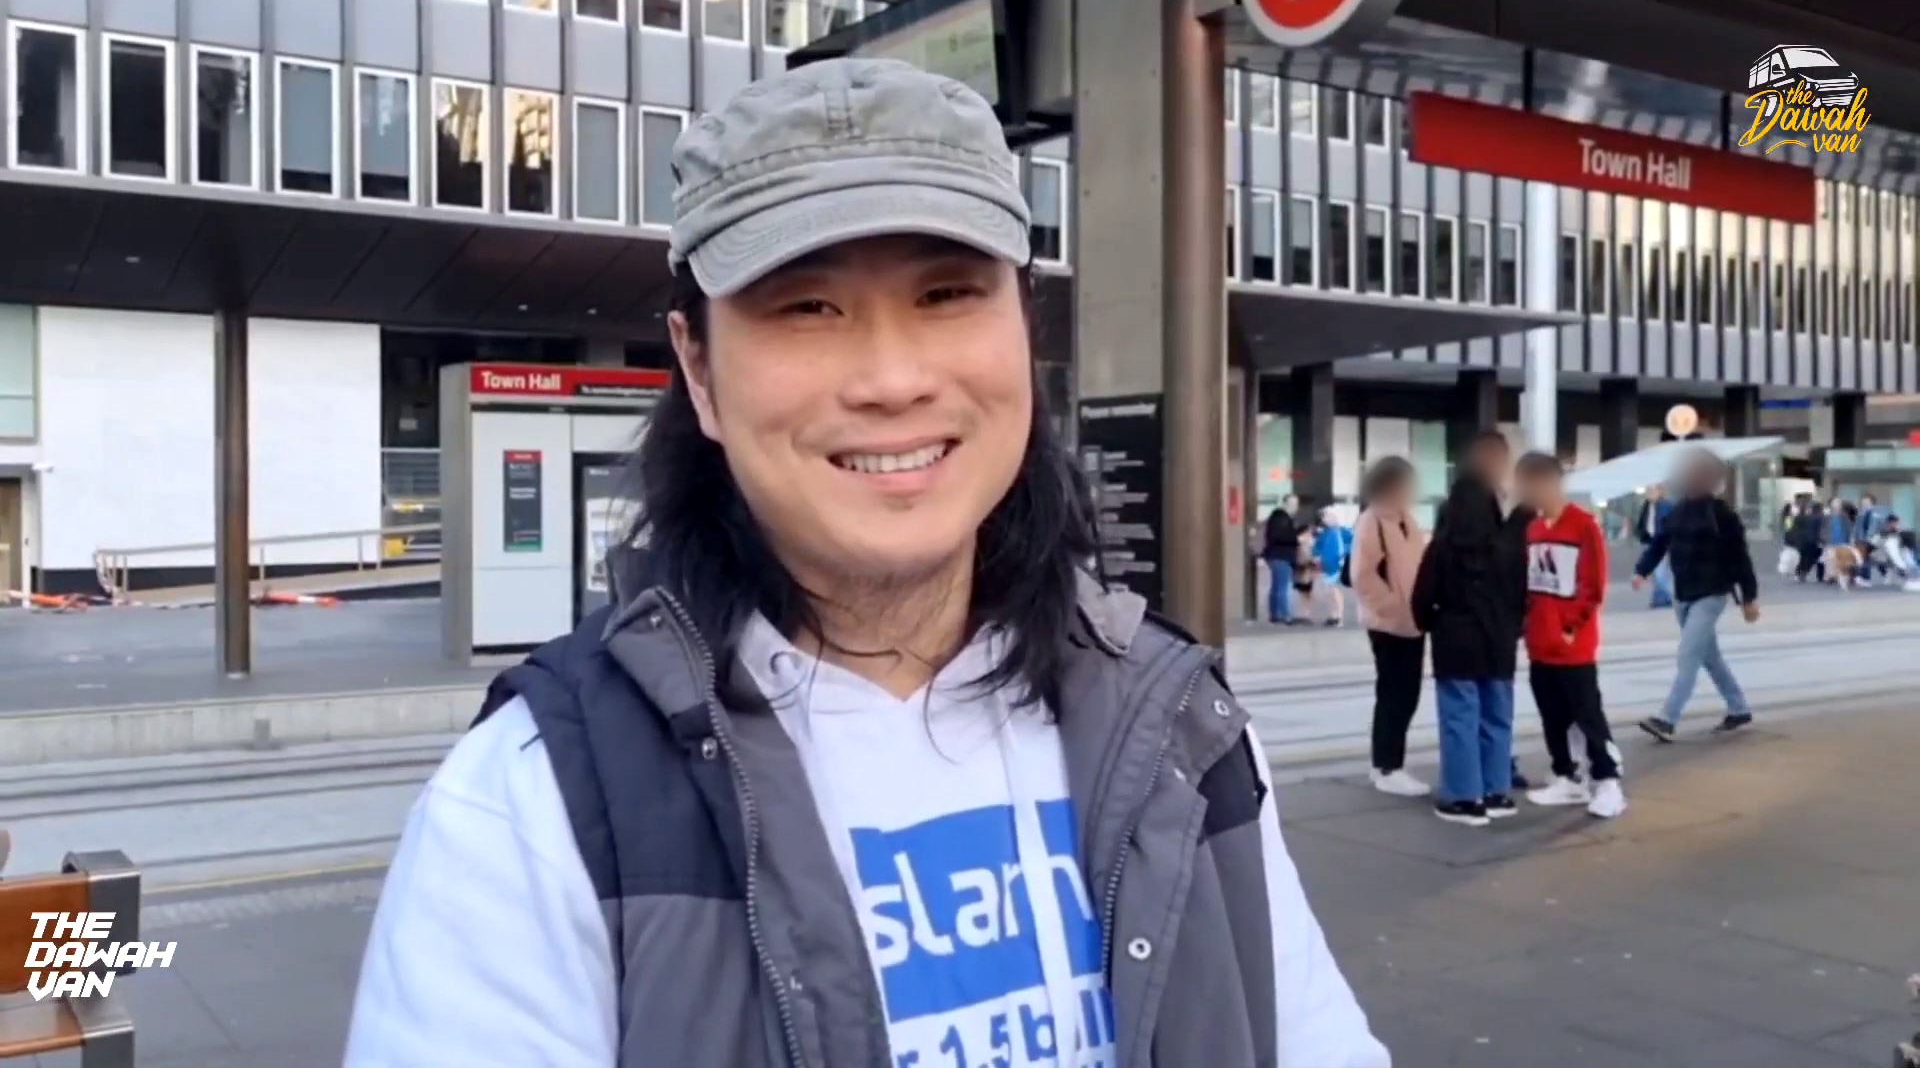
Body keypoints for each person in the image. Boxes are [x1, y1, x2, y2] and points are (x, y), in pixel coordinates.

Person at [343, 58, 1390, 1068]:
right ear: (698, 369)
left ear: (1023, 328)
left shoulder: (1178, 730)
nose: (893, 378)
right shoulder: (533, 811)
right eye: (807, 307)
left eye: (947, 295)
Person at [1411, 431, 1529, 827]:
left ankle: (1463, 797)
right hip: (1498, 644)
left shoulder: (1442, 549)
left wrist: (1431, 624)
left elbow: (1421, 598)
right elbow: (1520, 596)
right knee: (1497, 717)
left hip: (1456, 641)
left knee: (1460, 717)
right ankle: (1497, 792)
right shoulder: (1508, 547)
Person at [1512, 453, 1626, 819]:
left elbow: (1593, 586)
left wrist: (1571, 627)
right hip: (1539, 644)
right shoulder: (1532, 529)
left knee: (1587, 713)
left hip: (1573, 646)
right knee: (1552, 715)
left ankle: (1608, 782)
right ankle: (1567, 776)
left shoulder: (1583, 526)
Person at [1634, 447, 1761, 742]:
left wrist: (1749, 598)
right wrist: (1642, 570)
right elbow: (1659, 544)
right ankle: (1738, 707)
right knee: (1708, 655)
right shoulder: (1678, 511)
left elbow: (1740, 558)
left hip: (1712, 593)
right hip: (1683, 593)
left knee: (1688, 653)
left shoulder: (1722, 515)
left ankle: (1667, 718)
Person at [1350, 457, 1431, 799]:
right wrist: (1393, 607)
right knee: (1394, 695)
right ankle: (1387, 766)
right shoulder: (1372, 521)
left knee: (1406, 694)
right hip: (1388, 624)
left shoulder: (1407, 521)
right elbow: (1362, 574)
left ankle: (1388, 763)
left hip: (1413, 622)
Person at [1263, 495, 1304, 625]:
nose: (1295, 507)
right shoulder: (1280, 517)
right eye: (1292, 504)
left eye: (1296, 504)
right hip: (1280, 556)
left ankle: (1275, 614)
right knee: (1282, 587)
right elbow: (1280, 536)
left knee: (1277, 586)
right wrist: (1297, 539)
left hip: (1276, 555)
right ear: (1285, 504)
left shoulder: (1280, 518)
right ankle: (1285, 615)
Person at [1310, 507, 1352, 627]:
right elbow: (1317, 548)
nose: (1326, 519)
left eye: (1328, 516)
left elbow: (1351, 545)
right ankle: (1333, 614)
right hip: (1325, 565)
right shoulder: (1324, 533)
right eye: (1325, 517)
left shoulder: (1343, 532)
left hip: (1337, 565)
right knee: (1327, 591)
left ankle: (1338, 616)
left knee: (1334, 591)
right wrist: (1315, 557)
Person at [1635, 484, 1675, 608]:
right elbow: (1643, 522)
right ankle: (1660, 597)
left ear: (1659, 491)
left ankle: (1664, 597)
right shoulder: (1647, 506)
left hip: (1661, 543)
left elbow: (1667, 525)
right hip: (1651, 541)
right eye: (1648, 491)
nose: (1649, 493)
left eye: (1652, 490)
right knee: (1657, 573)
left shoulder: (1665, 506)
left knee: (1660, 572)